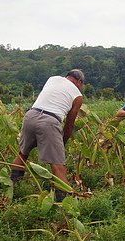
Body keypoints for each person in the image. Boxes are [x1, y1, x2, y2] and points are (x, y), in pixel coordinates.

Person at [10, 69, 85, 200]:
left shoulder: (52, 79)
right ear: (79, 82)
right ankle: (64, 202)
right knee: (57, 164)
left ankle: (13, 188)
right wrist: (63, 142)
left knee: (23, 153)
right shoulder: (77, 96)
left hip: (30, 115)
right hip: (49, 121)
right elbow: (69, 123)